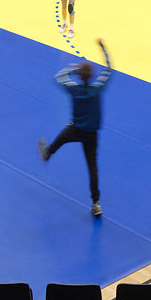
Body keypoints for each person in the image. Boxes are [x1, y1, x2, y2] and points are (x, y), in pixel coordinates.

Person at [40, 38, 110, 217]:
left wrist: (73, 68)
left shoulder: (74, 89)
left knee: (63, 136)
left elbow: (59, 77)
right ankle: (96, 203)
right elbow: (109, 69)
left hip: (76, 129)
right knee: (92, 166)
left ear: (79, 75)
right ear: (91, 76)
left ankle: (48, 152)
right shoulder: (97, 89)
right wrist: (104, 50)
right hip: (91, 134)